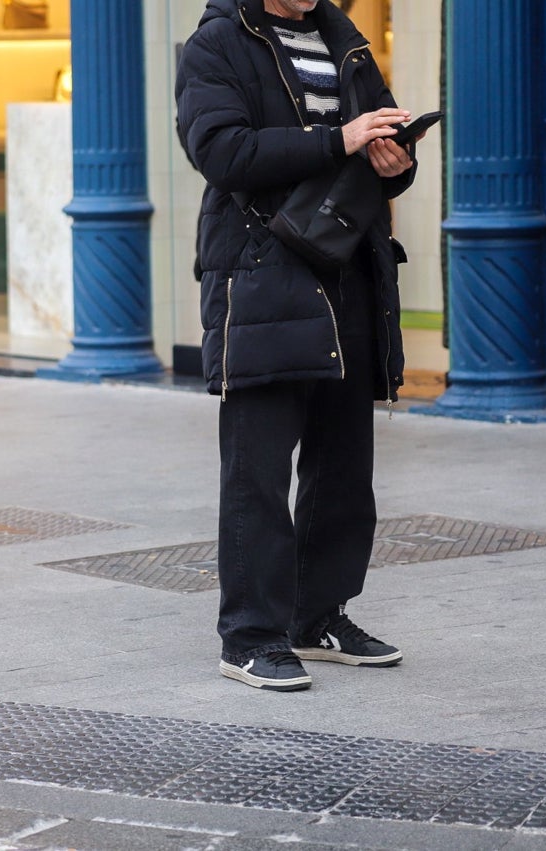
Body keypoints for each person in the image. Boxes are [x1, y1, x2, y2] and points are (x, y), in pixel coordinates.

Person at [175, 0, 426, 691]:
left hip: (347, 266)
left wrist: (391, 157)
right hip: (261, 274)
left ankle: (317, 617)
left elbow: (379, 153)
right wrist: (339, 140)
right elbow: (221, 152)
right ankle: (250, 635)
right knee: (257, 469)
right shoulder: (216, 45)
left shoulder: (344, 40)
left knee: (344, 463)